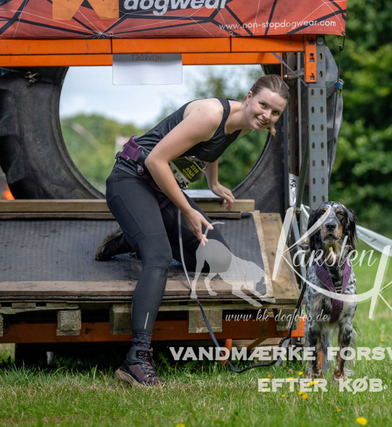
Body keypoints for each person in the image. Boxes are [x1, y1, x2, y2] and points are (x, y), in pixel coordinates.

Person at [95, 74, 289, 387]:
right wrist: (187, 210)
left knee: (217, 259)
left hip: (160, 189)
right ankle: (136, 358)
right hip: (132, 178)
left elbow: (211, 148)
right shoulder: (211, 114)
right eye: (263, 105)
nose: (267, 115)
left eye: (275, 112)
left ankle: (132, 237)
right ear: (249, 96)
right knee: (158, 258)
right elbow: (156, 160)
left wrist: (214, 183)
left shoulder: (243, 123)